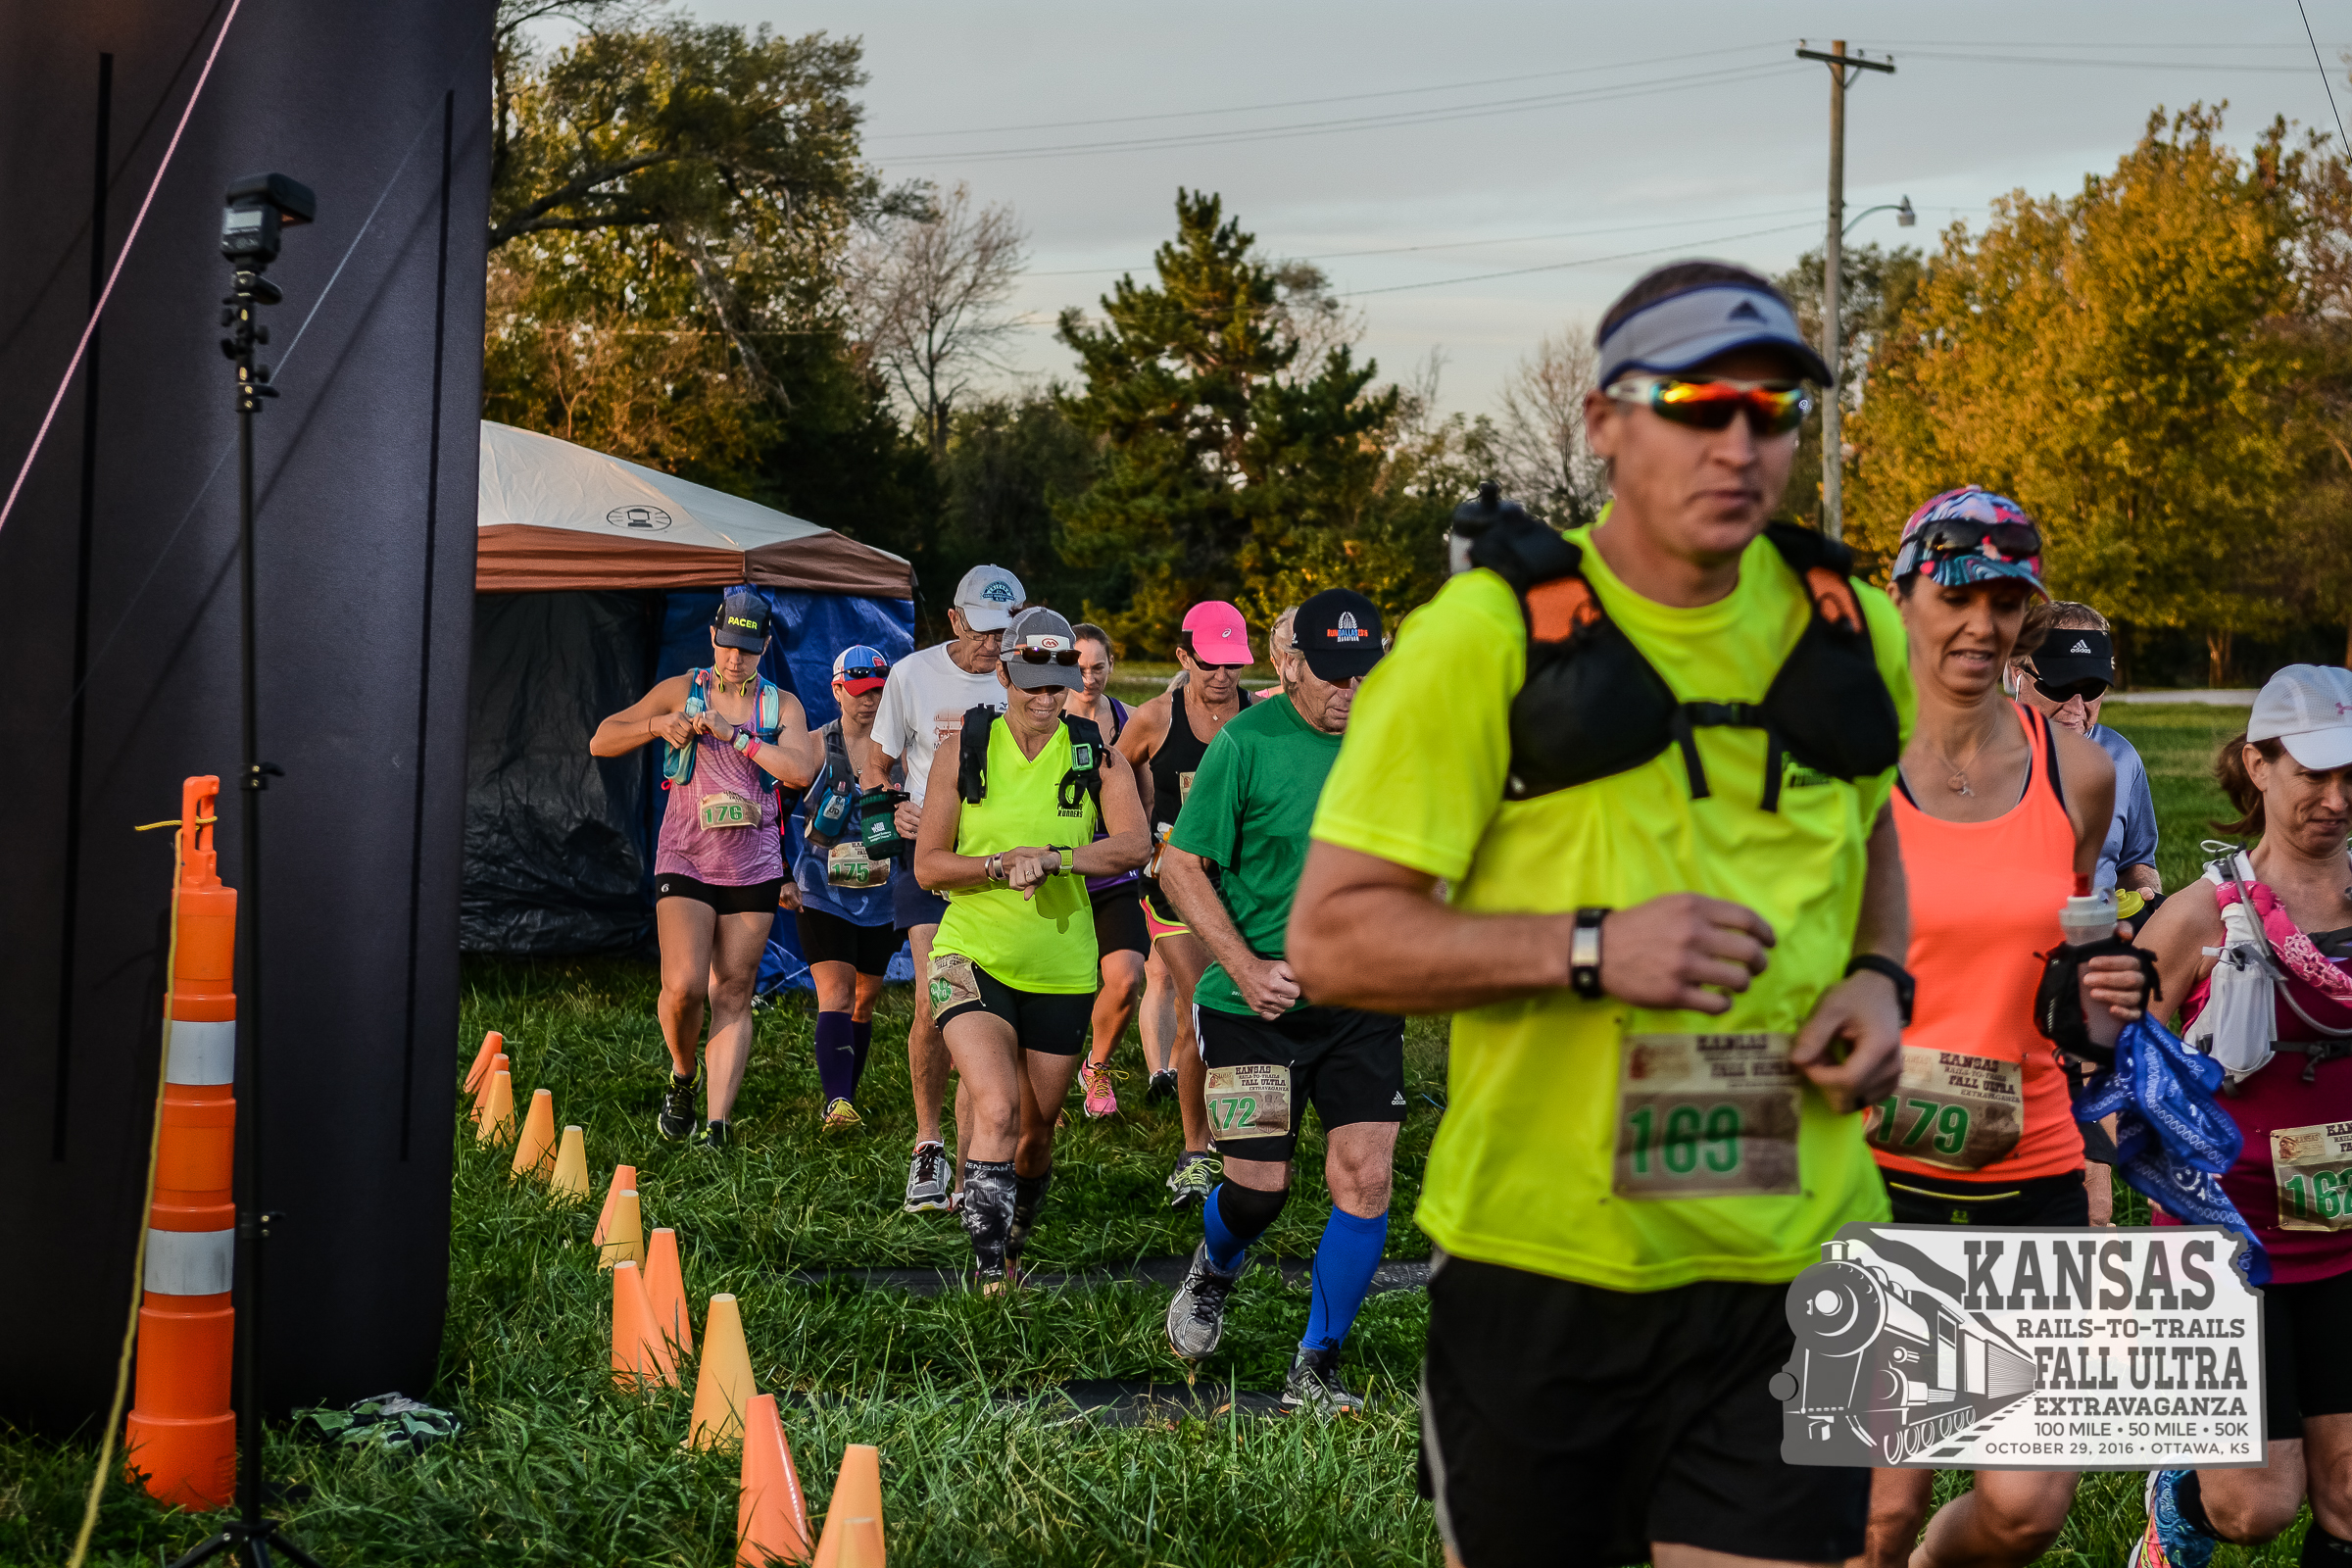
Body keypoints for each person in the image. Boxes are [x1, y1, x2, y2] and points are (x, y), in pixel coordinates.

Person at [1288, 261, 1916, 1568]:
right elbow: (1333, 936)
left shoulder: (1852, 624)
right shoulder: (1482, 636)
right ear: (1603, 423)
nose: (1738, 442)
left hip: (1800, 1256)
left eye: (1773, 408)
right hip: (1544, 1264)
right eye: (1695, 404)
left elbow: (1868, 828)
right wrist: (1590, 947)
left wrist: (1878, 976)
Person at [1860, 488, 2147, 1568]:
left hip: (2034, 1161)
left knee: (2026, 1511)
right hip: (1877, 1165)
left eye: (2007, 599)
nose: (1982, 624)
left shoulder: (2082, 773)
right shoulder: (1847, 766)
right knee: (1879, 1509)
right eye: (1957, 594)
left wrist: (2106, 994)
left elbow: (2066, 951)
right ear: (1902, 596)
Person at [2129, 665, 2352, 1568]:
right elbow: (2115, 1075)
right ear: (2259, 766)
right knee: (2255, 1506)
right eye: (2314, 774)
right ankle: (2178, 1508)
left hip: (2343, 1232)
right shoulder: (2196, 919)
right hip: (2225, 1245)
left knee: (2350, 1499)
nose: (2337, 800)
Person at [1161, 588, 1396, 1413]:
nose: (1348, 691)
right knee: (1258, 1191)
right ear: (1291, 666)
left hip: (1360, 1002)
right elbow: (1178, 867)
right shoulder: (1246, 743)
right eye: (1332, 674)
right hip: (1250, 1006)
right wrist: (1247, 967)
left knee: (1366, 1179)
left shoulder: (1393, 741)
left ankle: (1316, 1364)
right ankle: (1214, 1268)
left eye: (1362, 674)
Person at [913, 608, 1151, 1289]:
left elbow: (1135, 845)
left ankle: (1012, 1245)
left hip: (1061, 965)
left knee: (1035, 1134)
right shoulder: (965, 747)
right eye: (1032, 683)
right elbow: (928, 866)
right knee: (996, 1105)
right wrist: (997, 864)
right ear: (1004, 675)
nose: (1046, 698)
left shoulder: (1093, 753)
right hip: (970, 952)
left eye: (1058, 684)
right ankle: (989, 1277)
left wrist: (1055, 857)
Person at [589, 591, 812, 1151]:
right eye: (727, 645)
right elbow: (602, 739)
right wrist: (659, 725)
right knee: (685, 988)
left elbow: (801, 771)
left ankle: (717, 1127)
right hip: (686, 857)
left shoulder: (780, 706)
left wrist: (737, 736)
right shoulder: (683, 689)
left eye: (747, 649)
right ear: (712, 637)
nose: (735, 659)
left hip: (753, 866)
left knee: (733, 991)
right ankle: (683, 1075)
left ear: (765, 646)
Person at [863, 565, 1023, 1212]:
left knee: (989, 1008)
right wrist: (896, 803)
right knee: (939, 997)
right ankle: (927, 1145)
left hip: (1005, 861)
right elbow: (875, 765)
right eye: (981, 631)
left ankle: (973, 1164)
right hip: (930, 855)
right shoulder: (913, 675)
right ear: (954, 619)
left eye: (1004, 631)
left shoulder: (1028, 677)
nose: (992, 644)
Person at [1116, 600, 1260, 1205]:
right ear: (1184, 657)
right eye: (1209, 663)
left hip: (1243, 891)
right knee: (1204, 1005)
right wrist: (1140, 827)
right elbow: (1110, 774)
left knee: (1245, 1013)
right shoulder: (1155, 718)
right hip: (1172, 889)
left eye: (1233, 664)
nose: (1222, 676)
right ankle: (1196, 1154)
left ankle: (1249, 1142)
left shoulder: (1261, 718)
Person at [792, 645, 902, 1132]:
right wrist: (780, 873)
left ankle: (847, 1096)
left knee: (864, 999)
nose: (869, 701)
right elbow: (775, 809)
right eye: (859, 692)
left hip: (883, 896)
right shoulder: (814, 746)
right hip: (821, 890)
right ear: (837, 690)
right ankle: (836, 1102)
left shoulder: (900, 750)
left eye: (878, 691)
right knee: (835, 993)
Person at [2009, 601, 2162, 907]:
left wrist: (2147, 899)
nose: (2077, 707)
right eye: (2058, 686)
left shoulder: (2121, 757)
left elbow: (2136, 862)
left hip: (2098, 928)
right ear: (2017, 674)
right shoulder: (1978, 753)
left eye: (2092, 688)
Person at [1063, 622, 1149, 1118]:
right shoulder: (1045, 719)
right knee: (1058, 988)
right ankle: (1039, 1075)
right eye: (1079, 668)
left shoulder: (1129, 719)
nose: (1089, 678)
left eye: (1098, 667)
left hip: (1114, 872)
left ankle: (1095, 1067)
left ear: (1112, 666)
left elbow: (1146, 790)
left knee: (1126, 977)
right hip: (1060, 871)